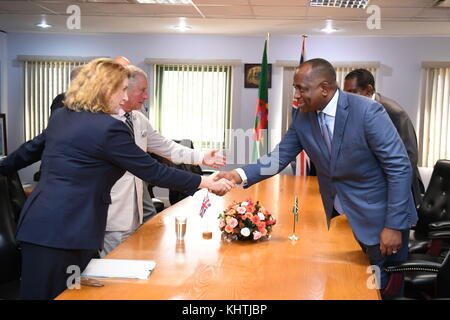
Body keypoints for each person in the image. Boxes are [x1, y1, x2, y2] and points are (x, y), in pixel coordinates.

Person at [0, 58, 234, 300]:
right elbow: (152, 170)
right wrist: (204, 182)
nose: (125, 97)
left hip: (47, 226)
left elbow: (28, 150)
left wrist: (3, 166)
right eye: (122, 89)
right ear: (104, 89)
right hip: (64, 231)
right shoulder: (107, 128)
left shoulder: (63, 116)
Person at [215, 58, 417, 298]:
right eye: (295, 88)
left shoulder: (366, 111)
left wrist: (393, 225)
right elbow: (277, 158)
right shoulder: (303, 116)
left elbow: (399, 167)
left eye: (302, 88)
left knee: (381, 290)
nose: (297, 95)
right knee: (350, 285)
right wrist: (237, 175)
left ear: (324, 88)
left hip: (380, 219)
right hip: (345, 217)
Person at [102, 65, 226, 256]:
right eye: (142, 91)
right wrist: (204, 182)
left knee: (136, 260)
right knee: (115, 268)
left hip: (136, 208)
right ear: (124, 90)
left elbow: (166, 147)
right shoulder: (103, 123)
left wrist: (201, 156)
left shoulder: (138, 119)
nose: (146, 96)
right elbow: (154, 171)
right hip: (112, 212)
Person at [343, 69, 424, 206]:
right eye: (345, 94)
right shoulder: (356, 109)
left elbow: (410, 157)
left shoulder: (394, 113)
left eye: (352, 92)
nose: (347, 98)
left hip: (396, 191)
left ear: (369, 90)